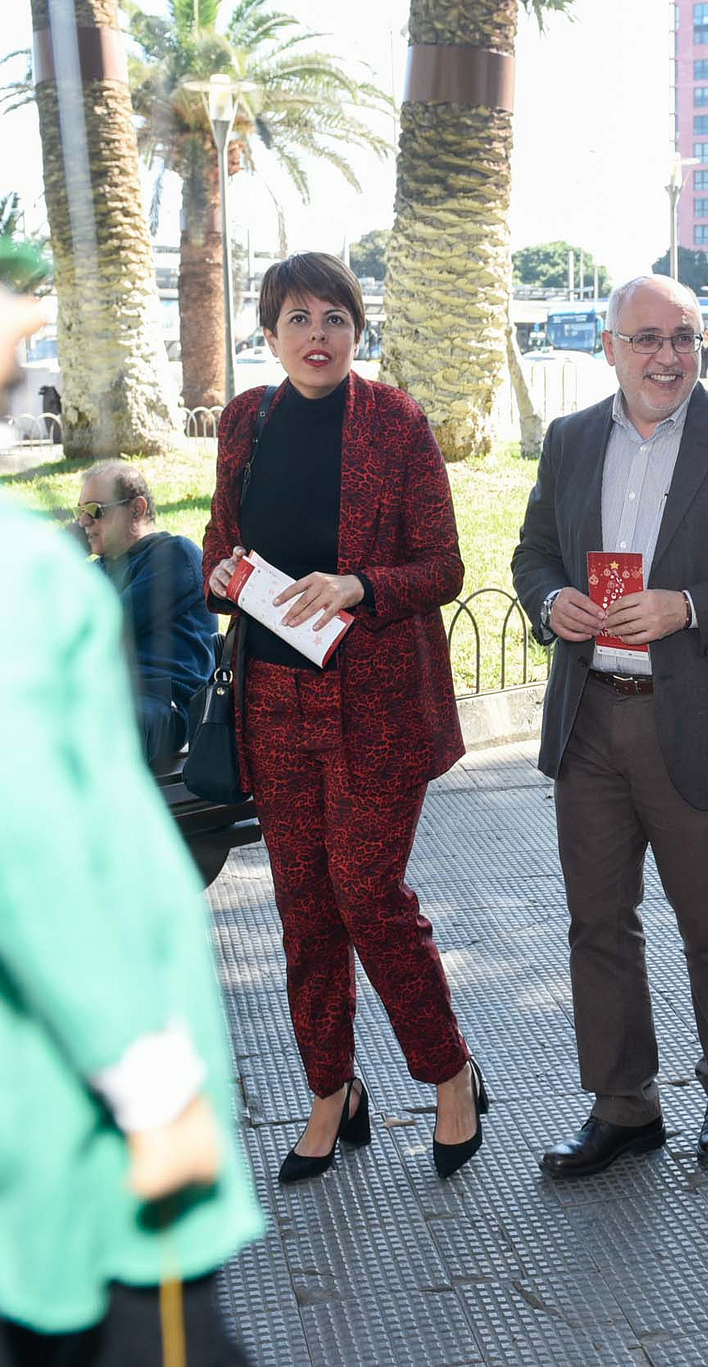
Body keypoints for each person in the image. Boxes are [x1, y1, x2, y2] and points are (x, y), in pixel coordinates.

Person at [0, 273, 261, 1367]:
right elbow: (37, 854)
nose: (24, 352)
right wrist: (149, 1077)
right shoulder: (24, 577)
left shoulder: (122, 563)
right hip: (81, 1127)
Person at [513, 275, 708, 1176]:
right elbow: (533, 551)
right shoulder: (570, 441)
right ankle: (624, 1103)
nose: (666, 355)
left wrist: (687, 605)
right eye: (645, 338)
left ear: (703, 346)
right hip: (590, 719)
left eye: (683, 337)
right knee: (597, 922)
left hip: (693, 718)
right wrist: (549, 599)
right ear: (609, 347)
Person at [201, 252, 486, 1185]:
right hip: (274, 700)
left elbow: (442, 567)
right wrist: (220, 572)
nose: (316, 335)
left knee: (369, 895)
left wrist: (360, 585)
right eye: (297, 318)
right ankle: (332, 1090)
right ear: (270, 331)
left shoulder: (395, 422)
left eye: (334, 317)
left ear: (356, 329)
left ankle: (447, 1071)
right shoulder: (247, 420)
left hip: (373, 703)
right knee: (303, 907)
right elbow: (221, 537)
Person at [74, 461, 214, 770]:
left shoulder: (175, 555)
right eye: (79, 511)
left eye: (96, 510)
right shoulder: (97, 571)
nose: (83, 521)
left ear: (136, 509)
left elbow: (106, 625)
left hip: (162, 702)